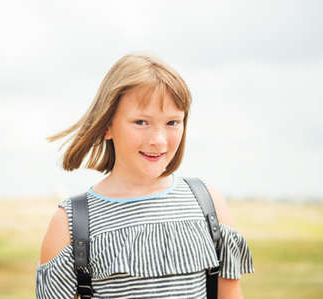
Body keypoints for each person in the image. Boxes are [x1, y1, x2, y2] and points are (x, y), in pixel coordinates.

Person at [36, 54, 254, 298]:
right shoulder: (70, 225)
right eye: (141, 122)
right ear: (106, 125)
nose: (158, 140)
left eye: (172, 122)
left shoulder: (208, 204)